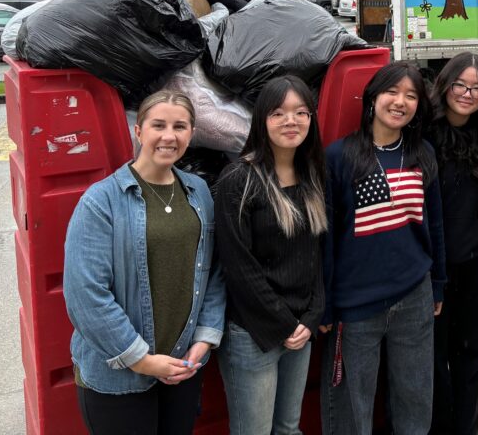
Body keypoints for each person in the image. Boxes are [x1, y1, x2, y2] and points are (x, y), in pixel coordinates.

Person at [63, 91, 225, 435]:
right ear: (139, 131)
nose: (170, 136)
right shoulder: (101, 201)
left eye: (180, 126)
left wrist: (203, 343)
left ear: (191, 134)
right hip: (118, 375)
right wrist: (143, 361)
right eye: (159, 125)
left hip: (182, 367)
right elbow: (86, 295)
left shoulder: (198, 192)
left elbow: (213, 272)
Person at [320, 61, 446, 435]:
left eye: (411, 96)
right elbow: (327, 237)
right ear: (373, 98)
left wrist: (437, 283)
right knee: (352, 407)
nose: (400, 102)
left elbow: (435, 223)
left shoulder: (422, 153)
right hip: (356, 303)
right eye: (393, 92)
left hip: (414, 296)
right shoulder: (339, 156)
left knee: (415, 400)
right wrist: (326, 303)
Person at [215, 75, 328, 435]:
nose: (290, 121)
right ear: (262, 120)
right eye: (278, 113)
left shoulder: (311, 175)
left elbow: (315, 255)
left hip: (299, 329)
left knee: (288, 428)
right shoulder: (239, 180)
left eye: (300, 112)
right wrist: (286, 324)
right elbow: (239, 268)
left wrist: (311, 317)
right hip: (253, 333)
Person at [427, 53, 478, 435]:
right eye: (460, 85)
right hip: (431, 269)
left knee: (471, 356)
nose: (468, 94)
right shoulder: (422, 131)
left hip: (475, 264)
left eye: (477, 87)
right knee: (434, 360)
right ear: (446, 84)